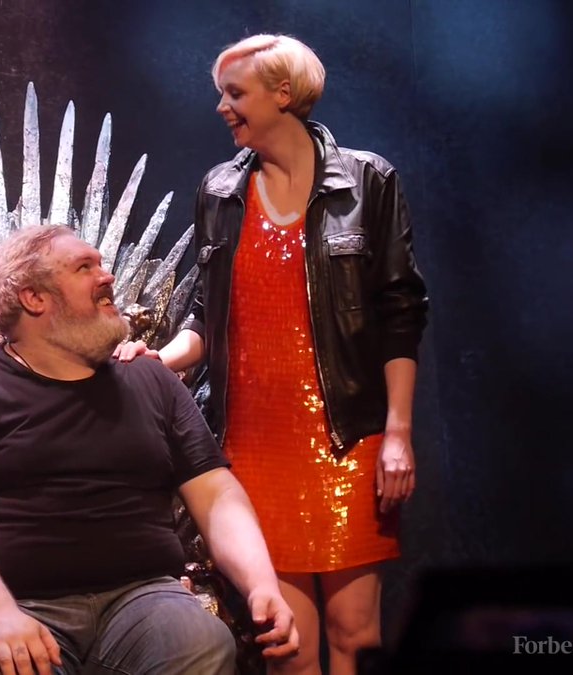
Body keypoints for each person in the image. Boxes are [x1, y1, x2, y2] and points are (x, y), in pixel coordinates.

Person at [117, 34, 429, 675]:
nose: (221, 107)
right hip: (254, 448)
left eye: (235, 93)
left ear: (283, 94)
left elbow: (401, 313)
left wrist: (398, 433)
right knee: (287, 645)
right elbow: (207, 316)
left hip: (345, 438)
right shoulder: (221, 190)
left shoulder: (366, 180)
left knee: (355, 634)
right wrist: (160, 359)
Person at [0, 224, 300, 675]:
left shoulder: (150, 379)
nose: (107, 276)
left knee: (202, 644)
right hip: (20, 603)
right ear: (33, 298)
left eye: (101, 263)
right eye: (84, 267)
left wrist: (260, 584)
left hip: (144, 596)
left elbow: (216, 493)